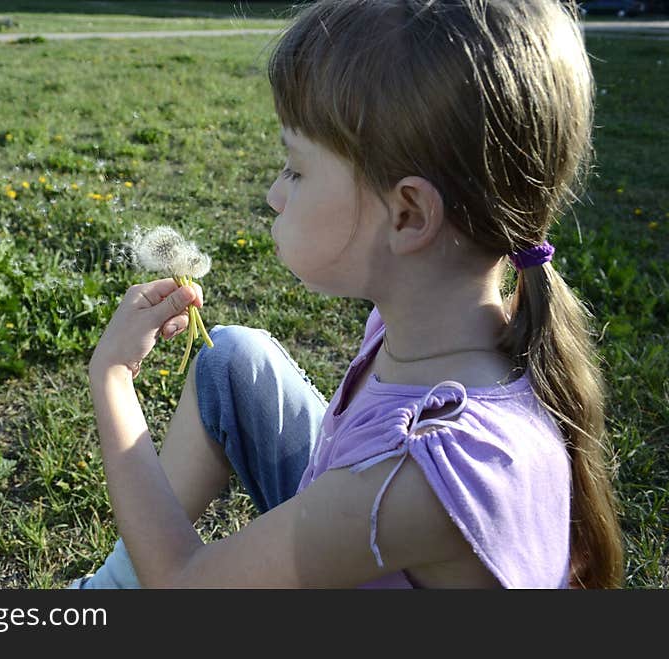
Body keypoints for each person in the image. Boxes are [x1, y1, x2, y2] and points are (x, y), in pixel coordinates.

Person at [69, 0, 624, 589]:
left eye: (296, 170)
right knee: (230, 361)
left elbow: (182, 582)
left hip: (357, 517)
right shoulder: (432, 325)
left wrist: (111, 378)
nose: (274, 195)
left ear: (408, 215)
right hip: (357, 515)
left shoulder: (423, 481)